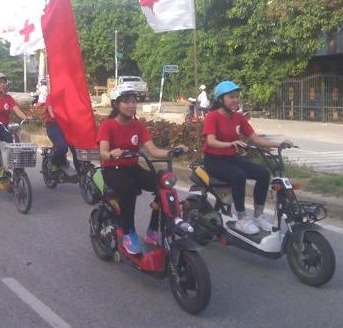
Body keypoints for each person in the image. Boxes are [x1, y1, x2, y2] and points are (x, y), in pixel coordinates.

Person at [97, 85, 187, 255]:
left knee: (162, 183)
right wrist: (111, 154)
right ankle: (129, 232)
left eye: (133, 101)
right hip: (112, 170)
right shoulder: (107, 125)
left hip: (132, 167)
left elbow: (153, 150)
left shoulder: (138, 126)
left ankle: (153, 230)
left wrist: (173, 152)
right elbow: (102, 152)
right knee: (128, 187)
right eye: (126, 102)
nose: (131, 105)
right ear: (116, 104)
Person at [202, 80, 293, 235]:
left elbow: (254, 138)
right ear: (221, 99)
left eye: (237, 96)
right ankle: (241, 219)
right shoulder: (212, 117)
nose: (236, 100)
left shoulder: (238, 117)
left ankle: (257, 216)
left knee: (263, 173)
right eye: (231, 97)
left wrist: (279, 144)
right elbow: (210, 141)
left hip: (231, 158)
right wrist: (231, 144)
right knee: (238, 175)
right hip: (214, 160)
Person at [0, 73, 31, 171]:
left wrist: (26, 117)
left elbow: (17, 110)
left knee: (15, 142)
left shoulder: (8, 98)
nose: (2, 85)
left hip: (4, 127)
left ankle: (17, 167)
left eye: (4, 82)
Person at [44, 101, 77, 177]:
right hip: (53, 125)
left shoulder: (69, 96)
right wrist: (54, 115)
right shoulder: (51, 96)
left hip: (67, 125)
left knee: (76, 148)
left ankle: (80, 171)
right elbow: (50, 109)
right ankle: (53, 163)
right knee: (63, 147)